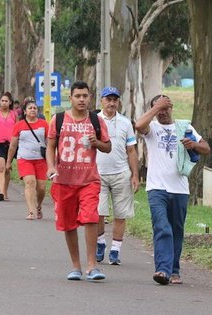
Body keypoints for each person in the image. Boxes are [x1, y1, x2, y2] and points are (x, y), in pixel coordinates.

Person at [135, 94, 210, 285]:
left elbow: (206, 148)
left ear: (172, 108)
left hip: (180, 189)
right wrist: (155, 108)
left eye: (167, 107)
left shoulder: (184, 127)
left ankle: (174, 270)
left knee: (176, 230)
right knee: (162, 227)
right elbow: (138, 125)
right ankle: (162, 270)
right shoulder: (152, 128)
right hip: (156, 188)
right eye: (160, 108)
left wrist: (193, 144)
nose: (163, 112)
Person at [46, 81, 111, 281]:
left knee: (91, 217)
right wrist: (51, 167)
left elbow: (107, 147)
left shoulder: (96, 120)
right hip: (64, 181)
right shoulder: (58, 120)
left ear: (90, 97)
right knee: (68, 224)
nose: (81, 99)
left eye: (85, 96)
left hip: (89, 180)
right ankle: (76, 266)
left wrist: (97, 142)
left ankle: (92, 266)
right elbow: (50, 147)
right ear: (71, 98)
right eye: (77, 96)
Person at [95, 86, 139, 266]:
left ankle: (115, 250)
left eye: (115, 99)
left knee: (121, 214)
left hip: (121, 173)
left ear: (118, 101)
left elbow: (131, 149)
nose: (111, 103)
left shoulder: (125, 122)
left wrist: (135, 174)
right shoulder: (94, 120)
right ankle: (100, 243)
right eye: (108, 99)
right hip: (97, 173)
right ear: (102, 101)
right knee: (98, 213)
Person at [6, 98, 49, 220]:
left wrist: (53, 160)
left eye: (35, 108)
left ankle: (38, 206)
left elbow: (50, 143)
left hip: (41, 159)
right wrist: (8, 162)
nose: (33, 110)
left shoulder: (44, 124)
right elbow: (13, 145)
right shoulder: (19, 125)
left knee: (41, 187)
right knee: (30, 182)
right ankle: (31, 211)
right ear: (24, 111)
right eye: (30, 108)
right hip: (24, 159)